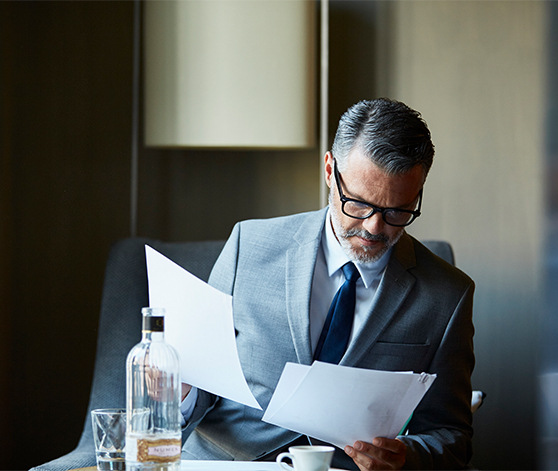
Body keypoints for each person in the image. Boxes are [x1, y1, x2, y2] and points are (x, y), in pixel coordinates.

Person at [180, 98, 475, 470]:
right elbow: (203, 381)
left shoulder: (448, 295)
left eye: (397, 211)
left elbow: (450, 435)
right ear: (329, 169)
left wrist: (406, 457)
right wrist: (181, 392)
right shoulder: (248, 247)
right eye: (358, 203)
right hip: (229, 462)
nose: (373, 227)